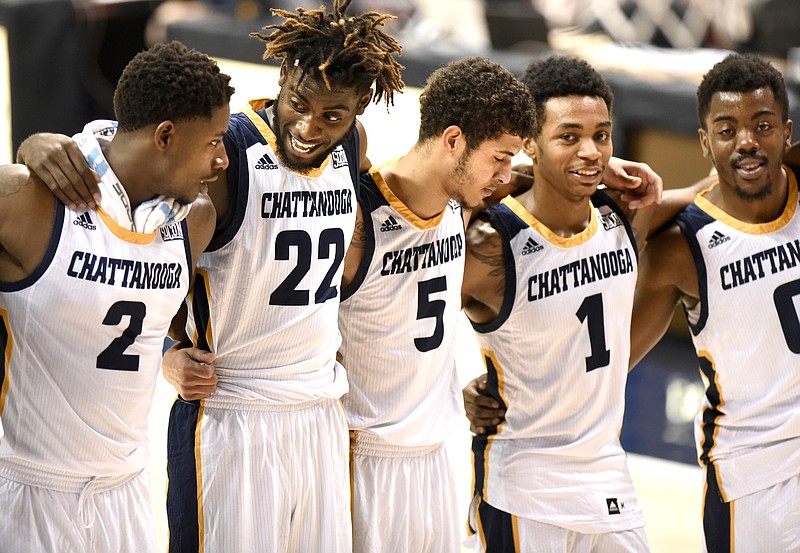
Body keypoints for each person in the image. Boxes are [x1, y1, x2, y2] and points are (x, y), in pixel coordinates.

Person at [17, 2, 405, 551]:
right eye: (299, 104)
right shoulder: (227, 154)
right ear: (281, 79)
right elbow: (133, 238)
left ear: (358, 109)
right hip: (232, 410)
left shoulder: (351, 147)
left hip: (319, 406)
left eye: (332, 116)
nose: (310, 126)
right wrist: (168, 351)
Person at [459, 55, 701, 553]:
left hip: (608, 481)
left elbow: (712, 194)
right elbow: (405, 307)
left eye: (602, 135)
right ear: (530, 142)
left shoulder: (621, 215)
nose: (592, 151)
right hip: (524, 488)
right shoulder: (491, 240)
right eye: (569, 135)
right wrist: (453, 391)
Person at [0, 41, 233, 553]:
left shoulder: (194, 221)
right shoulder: (28, 201)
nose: (222, 158)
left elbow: (135, 322)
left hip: (126, 495)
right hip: (29, 490)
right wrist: (29, 145)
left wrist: (171, 356)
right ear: (166, 136)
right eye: (214, 141)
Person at [339, 56, 535, 553]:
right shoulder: (356, 216)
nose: (506, 173)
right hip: (361, 462)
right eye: (500, 157)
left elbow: (543, 179)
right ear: (453, 140)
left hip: (438, 458)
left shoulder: (460, 198)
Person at [629, 53, 800, 553]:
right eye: (727, 129)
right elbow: (608, 366)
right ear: (705, 142)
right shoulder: (681, 248)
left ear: (786, 132)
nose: (746, 141)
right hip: (753, 483)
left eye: (762, 125)